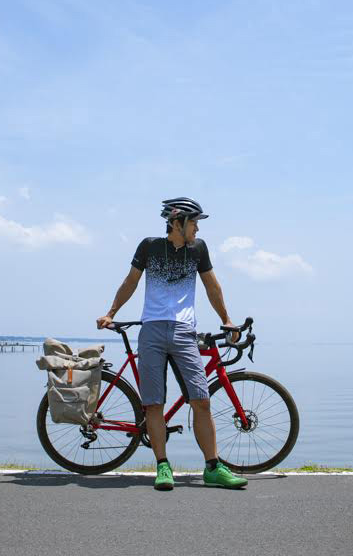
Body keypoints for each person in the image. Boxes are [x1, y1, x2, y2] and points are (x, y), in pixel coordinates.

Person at [96, 197, 249, 491]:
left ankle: (213, 468)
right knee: (154, 404)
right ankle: (163, 466)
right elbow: (130, 281)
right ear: (177, 222)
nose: (197, 229)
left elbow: (211, 286)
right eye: (193, 223)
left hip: (184, 332)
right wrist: (111, 313)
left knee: (201, 400)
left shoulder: (198, 250)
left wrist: (227, 319)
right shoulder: (149, 246)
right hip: (151, 331)